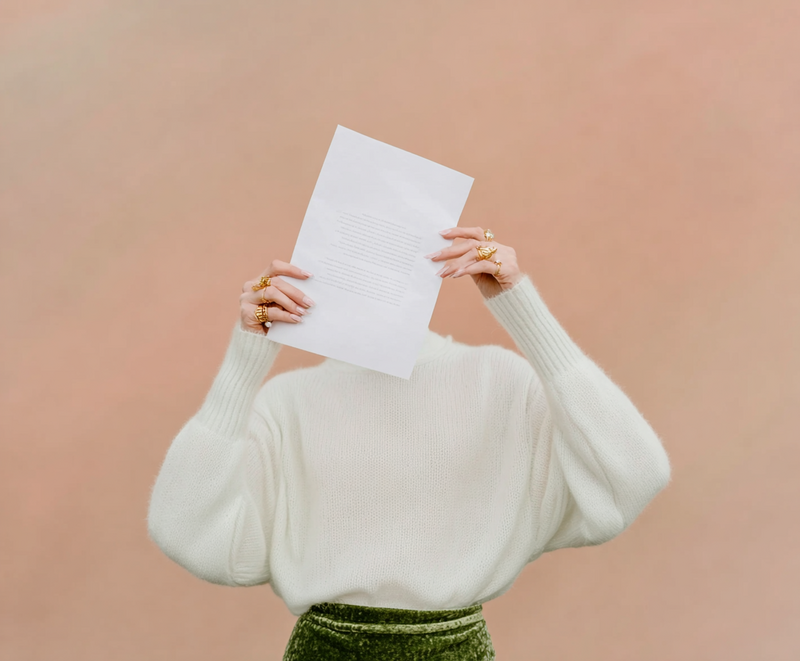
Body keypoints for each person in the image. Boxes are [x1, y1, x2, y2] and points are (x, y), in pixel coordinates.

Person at [148, 226, 672, 660]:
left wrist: (520, 305)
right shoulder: (287, 403)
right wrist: (247, 357)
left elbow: (633, 475)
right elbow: (185, 530)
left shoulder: (500, 382)